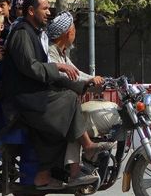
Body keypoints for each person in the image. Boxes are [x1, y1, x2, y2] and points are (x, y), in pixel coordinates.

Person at [2, 0, 112, 189]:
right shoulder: (21, 34)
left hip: (33, 95)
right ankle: (87, 148)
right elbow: (31, 67)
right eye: (44, 8)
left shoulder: (33, 33)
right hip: (23, 99)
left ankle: (44, 176)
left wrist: (82, 84)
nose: (48, 12)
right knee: (69, 101)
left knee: (64, 114)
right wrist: (58, 68)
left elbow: (57, 73)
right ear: (30, 11)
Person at [47, 10, 115, 184]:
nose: (75, 34)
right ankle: (80, 164)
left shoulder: (61, 52)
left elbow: (76, 73)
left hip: (60, 101)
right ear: (68, 33)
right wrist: (89, 81)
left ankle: (84, 163)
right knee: (77, 119)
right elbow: (65, 77)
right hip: (54, 103)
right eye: (74, 30)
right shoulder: (51, 52)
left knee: (79, 117)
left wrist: (94, 79)